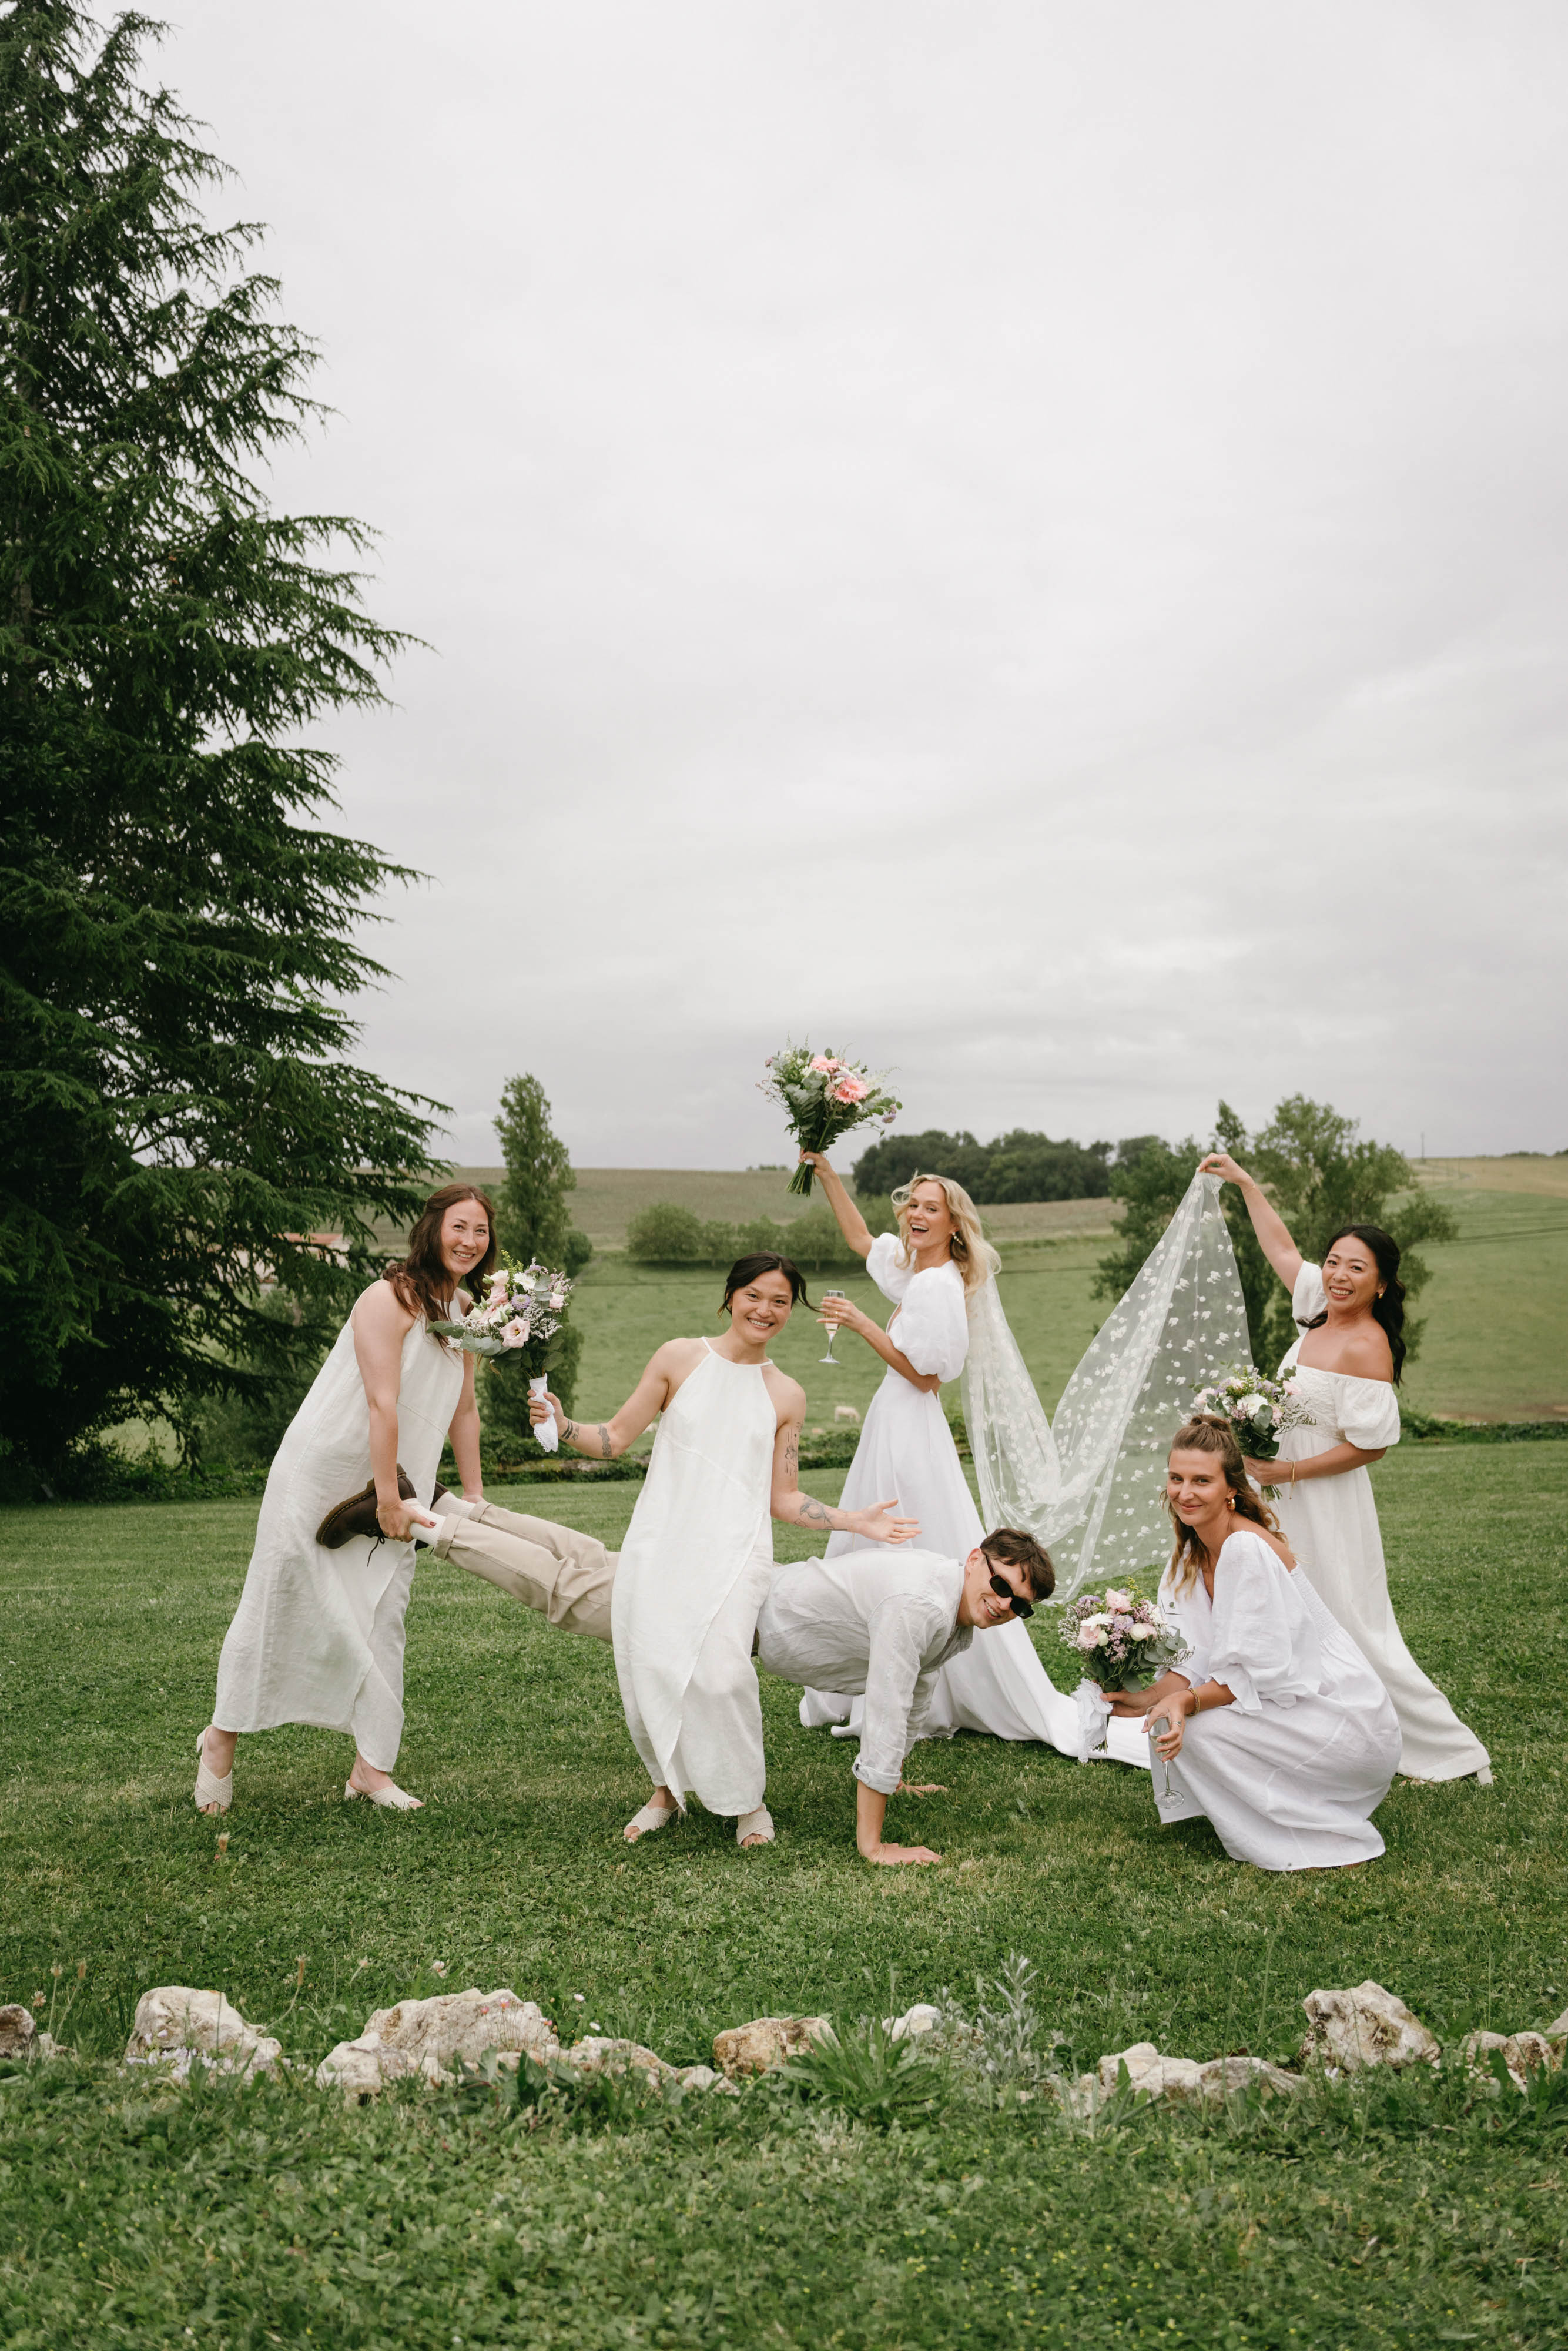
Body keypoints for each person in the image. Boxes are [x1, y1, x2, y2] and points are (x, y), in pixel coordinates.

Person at [414, 1491, 1053, 1864]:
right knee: (571, 1592)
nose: (1004, 1604)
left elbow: (912, 1691)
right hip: (722, 1608)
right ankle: (434, 1526)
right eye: (1000, 1584)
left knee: (593, 1562)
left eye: (1020, 1605)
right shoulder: (921, 1603)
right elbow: (885, 1707)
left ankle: (462, 1506)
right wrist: (873, 1844)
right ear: (976, 1559)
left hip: (738, 1600)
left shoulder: (955, 1613)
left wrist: (903, 1776)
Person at [527, 1253, 916, 1849]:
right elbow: (615, 1439)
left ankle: (747, 1801)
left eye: (780, 1301)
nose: (765, 1310)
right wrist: (563, 1422)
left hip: (736, 1552)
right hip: (661, 1542)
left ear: (792, 1311)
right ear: (730, 1297)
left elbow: (783, 1499)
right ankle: (665, 1791)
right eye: (755, 1295)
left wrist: (853, 1519)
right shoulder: (678, 1358)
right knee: (651, 1665)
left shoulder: (787, 1393)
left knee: (723, 1673)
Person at [792, 1156, 1145, 1765]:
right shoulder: (913, 1272)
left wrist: (860, 1324)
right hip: (890, 1418)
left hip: (910, 1419)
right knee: (878, 1535)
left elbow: (926, 1377)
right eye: (912, 1205)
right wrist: (825, 1172)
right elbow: (858, 1238)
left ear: (955, 1223)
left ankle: (914, 1683)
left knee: (903, 1538)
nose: (917, 1215)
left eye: (932, 1207)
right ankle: (870, 1674)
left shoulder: (940, 1284)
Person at [195, 1184, 492, 1816]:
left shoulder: (465, 1309)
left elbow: (464, 1408)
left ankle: (371, 1770)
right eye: (459, 1226)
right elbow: (381, 1403)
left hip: (399, 1484)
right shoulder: (386, 1298)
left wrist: (473, 1495)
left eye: (482, 1232)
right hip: (323, 1473)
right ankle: (220, 1739)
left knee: (386, 1612)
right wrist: (385, 1498)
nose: (470, 1241)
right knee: (282, 1603)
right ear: (432, 1228)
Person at [1198, 1153, 1490, 1783]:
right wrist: (1247, 1183)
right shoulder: (1316, 1311)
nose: (1336, 1274)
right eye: (1332, 1261)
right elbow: (1279, 1249)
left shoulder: (1366, 1345)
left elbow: (1373, 1445)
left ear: (1380, 1284)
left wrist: (1290, 1476)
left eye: (1355, 1268)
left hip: (1323, 1497)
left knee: (1345, 1615)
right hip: (1274, 1487)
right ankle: (1297, 1726)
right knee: (1275, 1605)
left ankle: (1439, 1744)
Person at [1103, 1416, 1401, 1870]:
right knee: (1169, 1721)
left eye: (1202, 1480)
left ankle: (1318, 1833)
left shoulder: (1247, 1549)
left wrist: (1187, 1700)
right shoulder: (1189, 1556)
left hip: (1342, 1716)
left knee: (1199, 1729)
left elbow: (1259, 1673)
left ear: (1231, 1490)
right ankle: (1270, 1808)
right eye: (1177, 1478)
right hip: (1289, 1703)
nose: (1185, 1492)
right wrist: (1145, 1699)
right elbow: (1196, 1658)